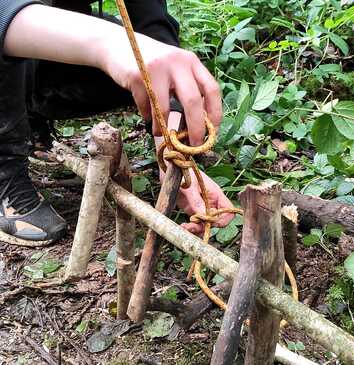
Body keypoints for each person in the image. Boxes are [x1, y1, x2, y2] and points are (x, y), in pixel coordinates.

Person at [0, 0, 233, 244]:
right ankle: (5, 173)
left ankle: (28, 118)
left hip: (40, 55)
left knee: (150, 63)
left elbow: (152, 24)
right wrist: (109, 45)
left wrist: (170, 148)